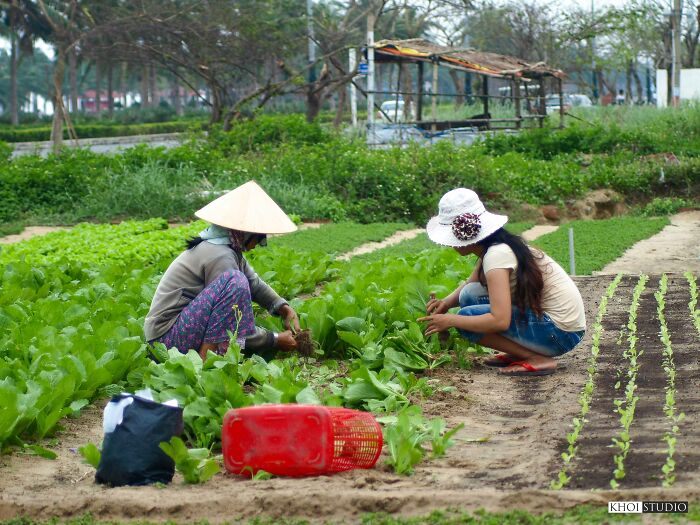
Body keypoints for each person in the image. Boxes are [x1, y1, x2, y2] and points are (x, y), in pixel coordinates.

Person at [418, 188, 586, 376]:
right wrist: (446, 303)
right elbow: (470, 285)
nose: (449, 244)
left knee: (466, 319)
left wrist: (450, 320)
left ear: (463, 235)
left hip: (560, 333)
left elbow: (500, 320)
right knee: (469, 295)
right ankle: (518, 351)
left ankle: (535, 358)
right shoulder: (495, 247)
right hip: (559, 327)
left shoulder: (496, 255)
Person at [144, 180, 300, 360]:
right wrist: (274, 339)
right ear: (243, 233)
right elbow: (228, 318)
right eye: (258, 238)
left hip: (179, 332)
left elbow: (254, 284)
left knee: (238, 283)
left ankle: (211, 360)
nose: (259, 244)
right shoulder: (219, 255)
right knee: (235, 284)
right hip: (166, 341)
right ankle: (205, 366)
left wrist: (285, 309)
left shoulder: (227, 249)